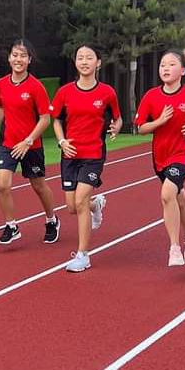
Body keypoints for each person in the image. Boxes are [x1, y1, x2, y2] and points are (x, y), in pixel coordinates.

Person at [134, 50, 185, 267]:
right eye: (162, 65)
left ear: (182, 70)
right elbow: (141, 127)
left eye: (171, 64)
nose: (166, 68)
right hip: (160, 155)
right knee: (179, 198)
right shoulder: (151, 96)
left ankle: (174, 248)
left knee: (167, 193)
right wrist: (159, 121)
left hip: (184, 153)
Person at [50, 45, 122, 273]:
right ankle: (96, 205)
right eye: (80, 58)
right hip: (70, 154)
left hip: (93, 154)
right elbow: (56, 120)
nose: (84, 61)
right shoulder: (65, 92)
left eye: (89, 58)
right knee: (72, 206)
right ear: (75, 62)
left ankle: (83, 255)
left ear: (98, 62)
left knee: (80, 200)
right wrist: (62, 141)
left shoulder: (107, 92)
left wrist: (116, 127)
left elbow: (118, 118)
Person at [0, 37, 60, 244]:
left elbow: (45, 119)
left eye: (23, 56)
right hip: (8, 143)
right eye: (15, 55)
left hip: (31, 145)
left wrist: (28, 141)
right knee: (2, 185)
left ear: (29, 60)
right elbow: (0, 106)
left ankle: (52, 220)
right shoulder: (1, 84)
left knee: (39, 186)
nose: (18, 59)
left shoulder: (36, 87)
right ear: (9, 58)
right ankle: (11, 226)